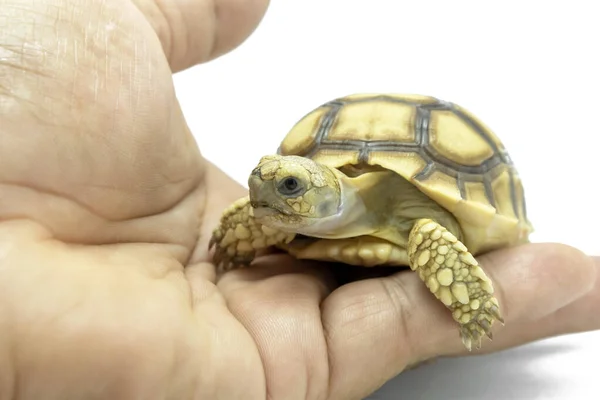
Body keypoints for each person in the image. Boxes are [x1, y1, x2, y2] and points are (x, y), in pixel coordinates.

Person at [0, 1, 598, 399]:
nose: (266, 194)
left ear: (325, 188)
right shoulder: (279, 215)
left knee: (429, 237)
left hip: (429, 210)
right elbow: (264, 215)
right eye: (268, 182)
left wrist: (470, 304)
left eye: (288, 187)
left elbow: (432, 229)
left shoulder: (415, 217)